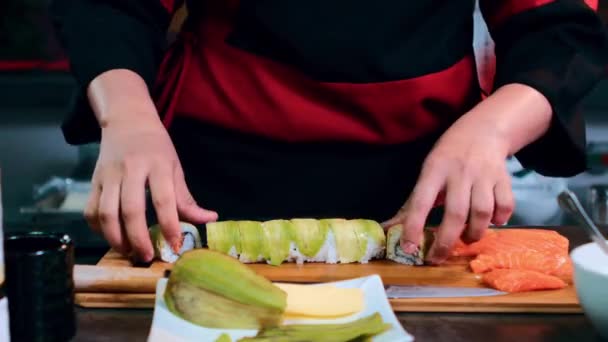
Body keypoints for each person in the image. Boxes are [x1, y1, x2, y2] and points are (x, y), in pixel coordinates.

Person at [50, 0, 608, 264]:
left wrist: (492, 130)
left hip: (424, 185)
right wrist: (126, 114)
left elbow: (557, 30)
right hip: (209, 182)